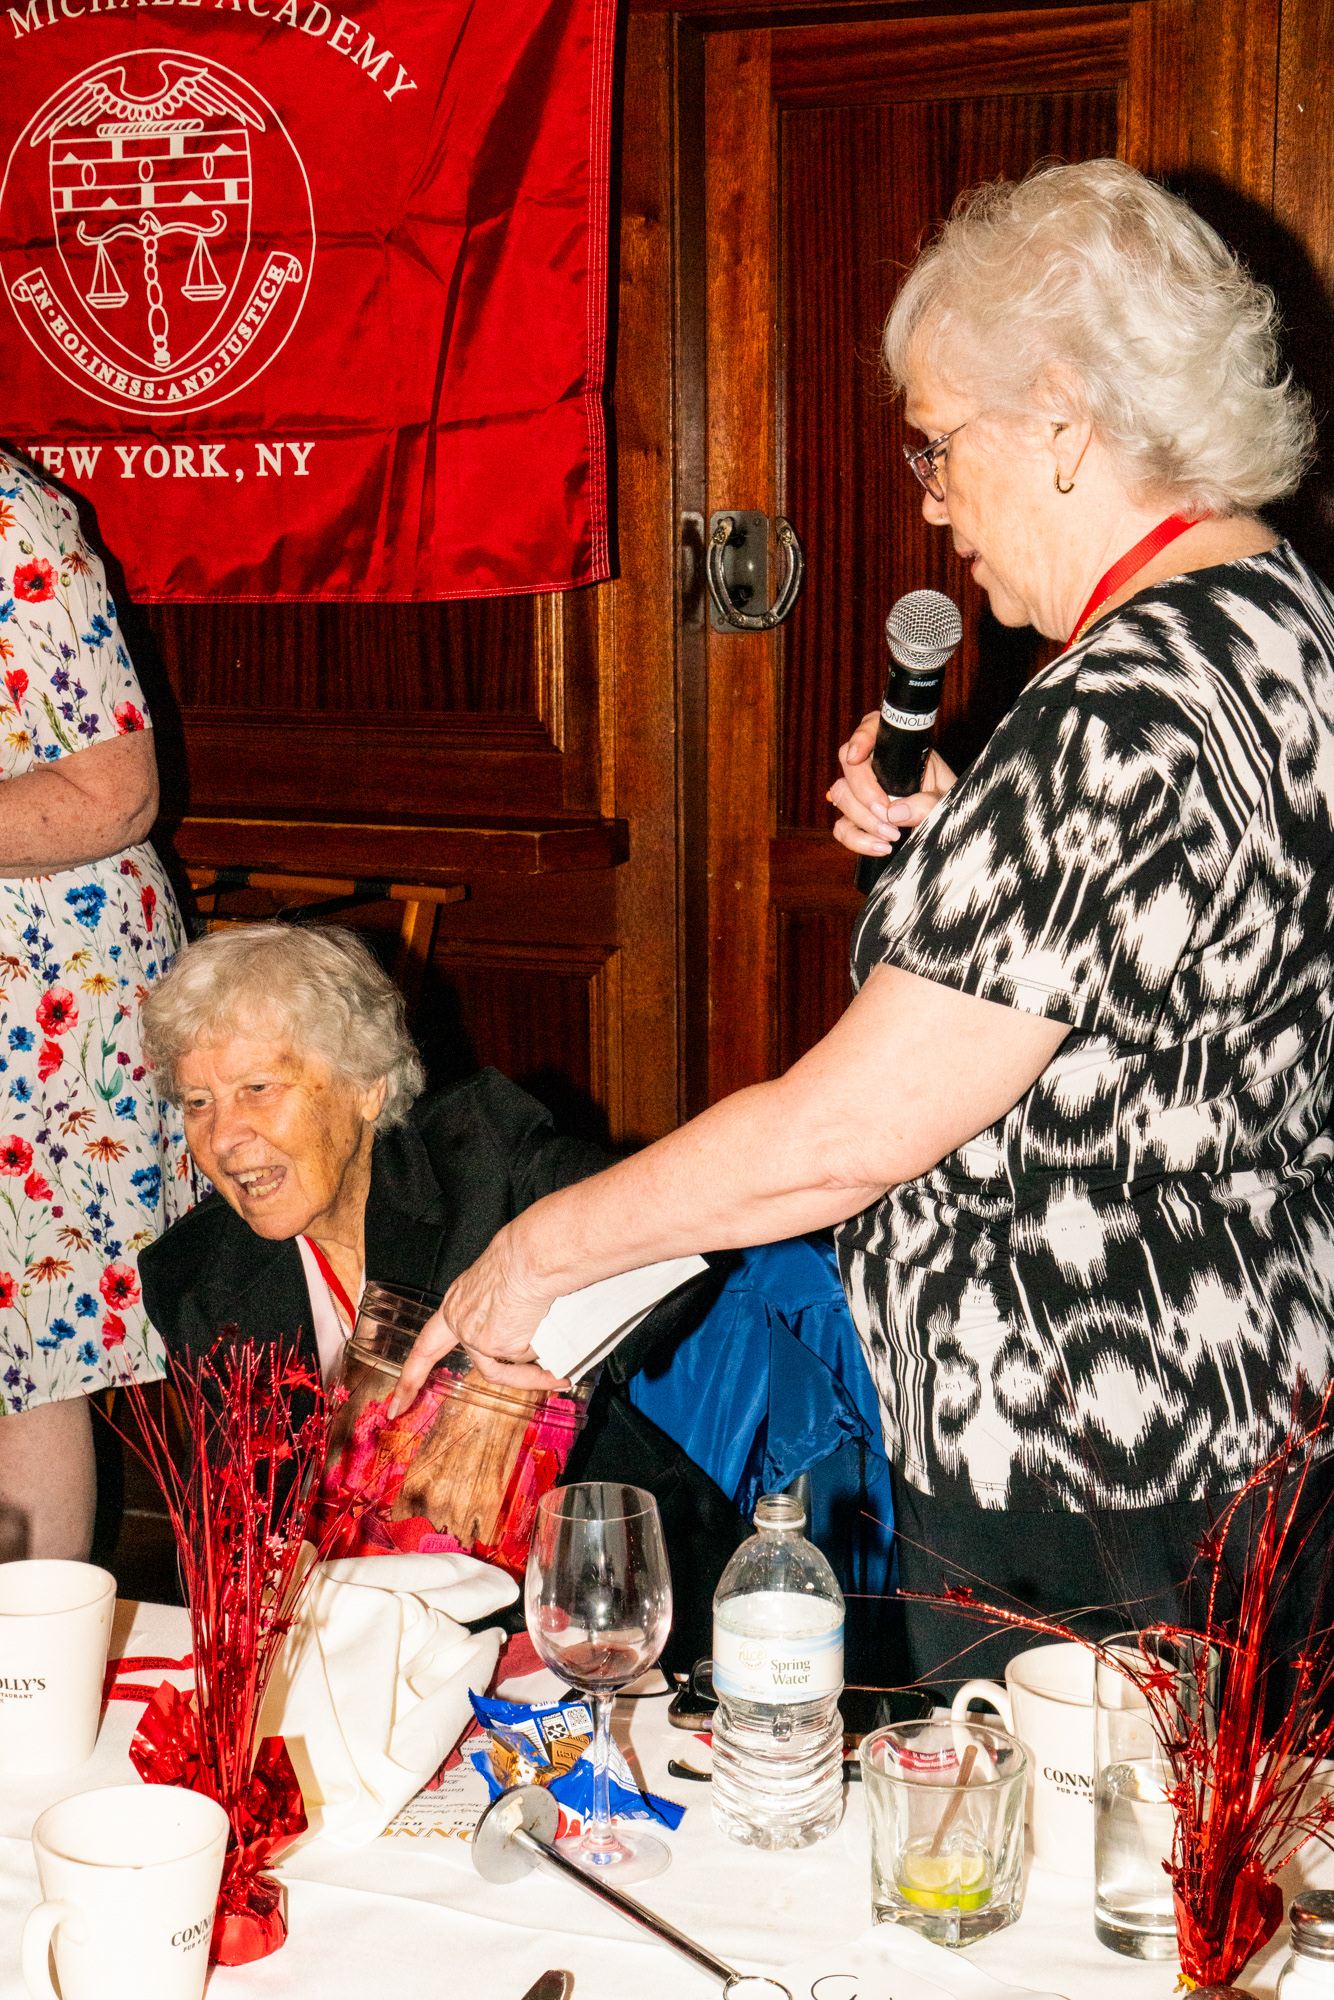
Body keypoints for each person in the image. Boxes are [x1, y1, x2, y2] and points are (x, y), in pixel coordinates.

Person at [391, 159, 1334, 1687]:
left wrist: (540, 1247)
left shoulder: (1111, 709)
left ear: (1061, 420)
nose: (932, 495)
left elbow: (845, 1137)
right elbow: (1177, 959)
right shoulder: (1277, 616)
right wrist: (970, 833)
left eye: (941, 441)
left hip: (1089, 1458)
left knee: (1064, 1841)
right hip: (1254, 1411)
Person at [0, 449, 197, 1561]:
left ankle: (26, 1661)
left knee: (22, 1363)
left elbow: (116, 792)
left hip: (38, 1001)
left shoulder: (9, 519)